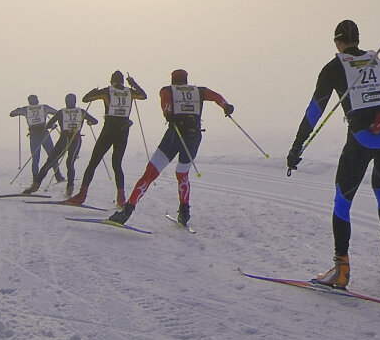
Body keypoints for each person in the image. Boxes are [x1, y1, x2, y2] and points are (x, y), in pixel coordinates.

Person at [286, 19, 380, 288]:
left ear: (337, 43)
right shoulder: (377, 62)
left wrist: (297, 147)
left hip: (360, 139)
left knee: (343, 201)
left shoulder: (333, 67)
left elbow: (314, 111)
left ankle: (341, 271)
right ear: (358, 39)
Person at [108, 68, 234, 226]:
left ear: (173, 79)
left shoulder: (167, 90)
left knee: (149, 174)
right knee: (182, 174)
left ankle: (127, 211)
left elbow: (166, 106)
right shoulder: (199, 91)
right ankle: (184, 213)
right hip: (193, 138)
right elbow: (217, 97)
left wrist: (169, 114)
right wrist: (226, 107)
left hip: (174, 136)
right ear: (186, 79)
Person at [68, 71, 148, 207]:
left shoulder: (107, 91)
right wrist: (133, 83)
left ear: (111, 80)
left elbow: (86, 99)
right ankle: (121, 198)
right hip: (123, 129)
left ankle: (82, 195)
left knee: (93, 162)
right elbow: (143, 96)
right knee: (117, 164)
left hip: (109, 128)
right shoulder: (130, 92)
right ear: (123, 81)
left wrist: (94, 90)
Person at [23, 94, 97, 195]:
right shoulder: (81, 112)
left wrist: (53, 125)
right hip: (75, 140)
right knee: (70, 163)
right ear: (75, 101)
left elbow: (48, 125)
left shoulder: (61, 112)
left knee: (49, 162)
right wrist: (89, 122)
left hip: (63, 139)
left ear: (66, 101)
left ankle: (36, 184)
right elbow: (95, 121)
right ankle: (69, 188)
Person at [8, 95, 55, 183]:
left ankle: (37, 178)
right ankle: (53, 176)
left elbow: (12, 114)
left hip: (37, 135)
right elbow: (56, 113)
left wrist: (17, 110)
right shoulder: (43, 107)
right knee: (49, 155)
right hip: (41, 134)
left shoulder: (26, 109)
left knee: (39, 157)